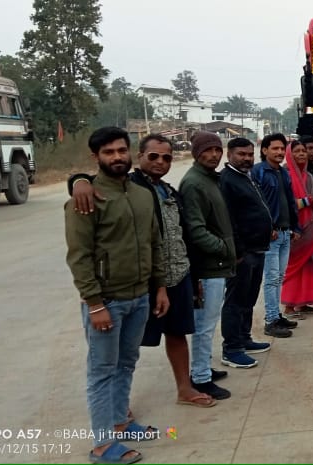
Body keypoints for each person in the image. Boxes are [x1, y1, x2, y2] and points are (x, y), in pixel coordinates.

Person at [69, 134, 216, 409]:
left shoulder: (170, 192)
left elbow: (182, 235)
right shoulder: (130, 187)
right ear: (139, 157)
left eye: (167, 158)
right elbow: (98, 183)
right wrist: (79, 181)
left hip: (176, 276)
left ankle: (185, 389)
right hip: (140, 284)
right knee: (123, 353)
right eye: (154, 156)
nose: (160, 162)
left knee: (178, 333)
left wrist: (193, 277)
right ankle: (115, 413)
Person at [65, 127, 168, 464]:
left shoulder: (141, 195)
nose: (117, 157)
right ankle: (102, 444)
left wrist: (160, 287)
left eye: (121, 150)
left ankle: (122, 422)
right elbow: (79, 257)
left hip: (140, 297)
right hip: (106, 301)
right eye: (108, 152)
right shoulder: (86, 198)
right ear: (96, 157)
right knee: (102, 370)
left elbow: (154, 243)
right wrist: (95, 303)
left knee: (127, 363)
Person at [179, 131, 237, 400]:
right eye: (208, 150)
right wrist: (223, 248)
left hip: (217, 263)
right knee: (204, 324)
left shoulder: (209, 180)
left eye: (217, 149)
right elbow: (195, 229)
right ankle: (200, 378)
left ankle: (203, 368)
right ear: (196, 153)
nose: (214, 155)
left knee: (209, 322)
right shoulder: (194, 183)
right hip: (207, 266)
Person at [220, 137, 278, 367]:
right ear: (229, 155)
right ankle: (231, 349)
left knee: (249, 297)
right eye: (241, 154)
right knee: (235, 300)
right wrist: (237, 250)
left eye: (249, 154)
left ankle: (244, 339)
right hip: (242, 252)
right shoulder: (228, 180)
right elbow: (228, 219)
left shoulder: (246, 177)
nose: (246, 158)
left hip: (258, 247)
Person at [251, 133, 301, 337]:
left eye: (282, 149)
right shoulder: (258, 173)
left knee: (279, 277)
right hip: (270, 236)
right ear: (264, 151)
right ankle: (271, 320)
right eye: (275, 149)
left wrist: (295, 227)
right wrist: (266, 227)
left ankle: (276, 315)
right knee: (271, 279)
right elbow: (256, 205)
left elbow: (290, 202)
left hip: (284, 232)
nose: (280, 152)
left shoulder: (283, 173)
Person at [282, 137, 313, 318]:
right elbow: (288, 205)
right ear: (289, 154)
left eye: (303, 151)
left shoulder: (308, 176)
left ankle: (303, 302)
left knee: (311, 266)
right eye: (297, 151)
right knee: (294, 268)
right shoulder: (285, 175)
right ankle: (288, 307)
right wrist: (310, 199)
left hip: (311, 231)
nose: (302, 154)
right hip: (296, 232)